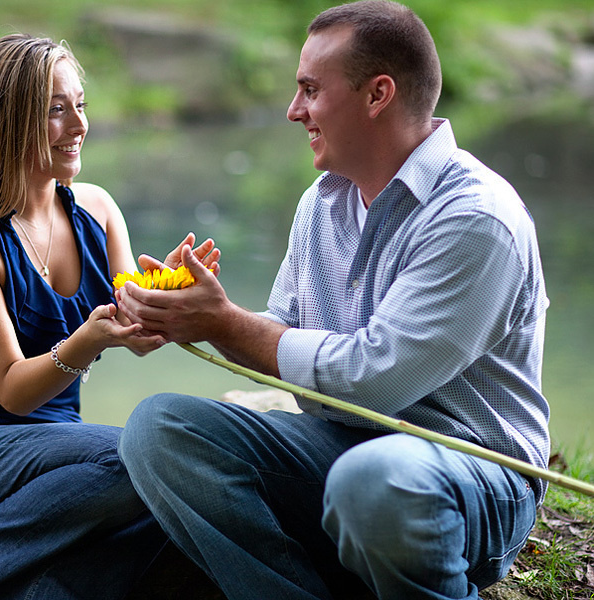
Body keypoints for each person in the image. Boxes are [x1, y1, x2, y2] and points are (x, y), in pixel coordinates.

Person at [115, 2, 550, 599]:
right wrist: (193, 313)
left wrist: (226, 323)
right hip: (342, 448)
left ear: (378, 95)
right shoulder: (320, 204)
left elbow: (375, 378)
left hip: (472, 472)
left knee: (373, 483)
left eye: (311, 90)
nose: (295, 111)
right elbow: (284, 330)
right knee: (158, 428)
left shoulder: (476, 219)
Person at [0, 34, 220, 600]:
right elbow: (11, 391)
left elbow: (129, 311)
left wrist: (167, 288)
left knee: (176, 513)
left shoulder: (97, 210)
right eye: (56, 109)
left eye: (80, 105)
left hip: (61, 454)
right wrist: (86, 340)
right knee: (145, 456)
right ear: (5, 121)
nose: (78, 125)